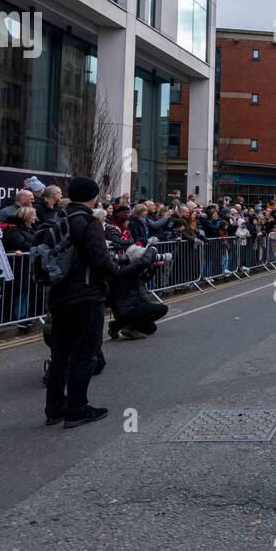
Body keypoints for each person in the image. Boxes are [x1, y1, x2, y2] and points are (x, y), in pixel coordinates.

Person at [44, 177, 117, 429]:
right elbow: (100, 259)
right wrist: (115, 270)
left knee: (60, 355)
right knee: (84, 354)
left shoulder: (57, 219)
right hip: (86, 295)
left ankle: (54, 408)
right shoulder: (89, 221)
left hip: (59, 295)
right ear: (93, 196)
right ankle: (77, 408)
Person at [108, 243, 168, 339]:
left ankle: (116, 325)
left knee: (151, 328)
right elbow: (144, 263)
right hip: (125, 310)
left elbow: (145, 279)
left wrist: (154, 268)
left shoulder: (133, 270)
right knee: (163, 309)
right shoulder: (126, 270)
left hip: (132, 307)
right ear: (137, 259)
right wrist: (151, 249)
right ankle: (129, 328)